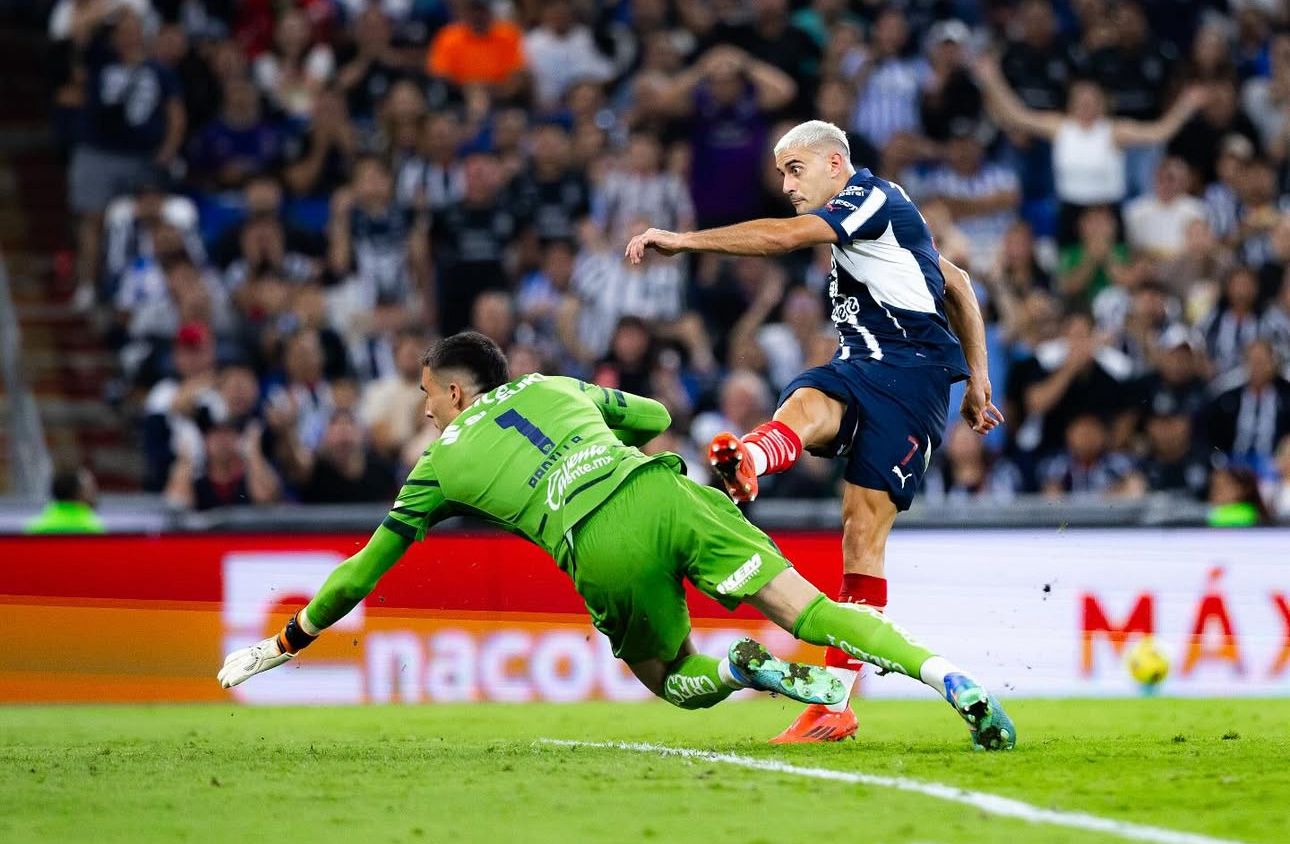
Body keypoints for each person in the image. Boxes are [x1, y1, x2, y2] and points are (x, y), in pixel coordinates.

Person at [218, 332, 1015, 752]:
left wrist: (288, 640)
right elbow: (655, 418)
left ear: (455, 390)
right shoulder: (554, 386)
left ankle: (738, 669)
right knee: (810, 611)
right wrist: (598, 437)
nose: (425, 409)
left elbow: (362, 572)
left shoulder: (436, 466)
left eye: (428, 394)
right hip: (666, 491)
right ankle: (949, 677)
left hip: (599, 545)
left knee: (670, 679)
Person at [625, 120, 1001, 743]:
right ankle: (749, 460)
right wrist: (981, 378)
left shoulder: (872, 196)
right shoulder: (879, 224)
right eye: (781, 173)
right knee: (806, 399)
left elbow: (785, 237)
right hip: (860, 367)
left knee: (862, 533)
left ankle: (836, 704)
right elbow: (955, 281)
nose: (786, 185)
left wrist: (684, 241)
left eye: (795, 170)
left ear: (834, 163)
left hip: (913, 377)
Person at [24, 469, 105, 535]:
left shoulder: (36, 528)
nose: (94, 495)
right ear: (78, 494)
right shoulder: (93, 529)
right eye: (90, 490)